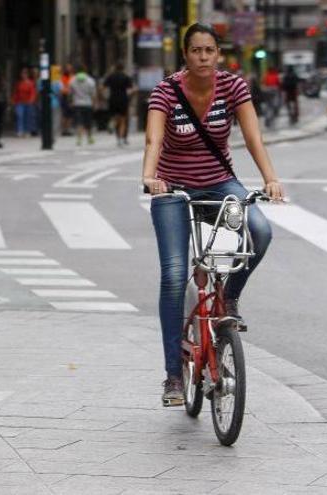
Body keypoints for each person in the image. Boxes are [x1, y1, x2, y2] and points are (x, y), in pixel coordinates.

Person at [141, 23, 284, 406]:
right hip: (173, 188)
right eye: (196, 51)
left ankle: (230, 300)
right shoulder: (166, 91)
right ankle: (173, 375)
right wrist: (150, 176)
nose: (203, 57)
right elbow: (154, 137)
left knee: (260, 232)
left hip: (221, 182)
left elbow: (253, 136)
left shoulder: (233, 87)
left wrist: (270, 179)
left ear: (218, 54)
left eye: (209, 51)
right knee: (173, 274)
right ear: (185, 55)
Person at [104, 62, 134, 146]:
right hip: (123, 99)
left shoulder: (110, 76)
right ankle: (120, 139)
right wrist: (130, 95)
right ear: (123, 68)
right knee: (123, 120)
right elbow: (131, 89)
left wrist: (104, 97)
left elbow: (102, 87)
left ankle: (111, 123)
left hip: (112, 99)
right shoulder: (126, 77)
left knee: (114, 116)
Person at [70, 64, 96, 145]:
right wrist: (94, 103)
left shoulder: (72, 80)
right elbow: (93, 94)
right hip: (88, 103)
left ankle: (79, 139)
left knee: (79, 122)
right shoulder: (90, 80)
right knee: (88, 122)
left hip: (77, 104)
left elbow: (71, 93)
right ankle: (90, 138)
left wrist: (71, 101)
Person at [12, 67, 37, 138]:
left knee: (28, 117)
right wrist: (14, 100)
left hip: (28, 103)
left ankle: (27, 131)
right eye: (22, 73)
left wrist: (31, 100)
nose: (23, 75)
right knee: (20, 116)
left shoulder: (31, 83)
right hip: (20, 102)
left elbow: (33, 93)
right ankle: (20, 130)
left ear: (27, 75)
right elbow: (16, 93)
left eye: (25, 73)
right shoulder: (19, 83)